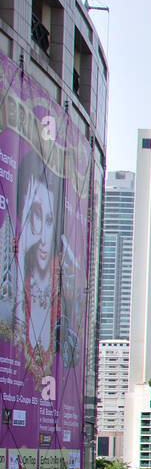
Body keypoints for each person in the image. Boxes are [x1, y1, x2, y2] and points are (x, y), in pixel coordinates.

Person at [7, 149, 65, 385]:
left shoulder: (61, 316)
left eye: (49, 220)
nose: (42, 235)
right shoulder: (7, 304)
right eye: (35, 216)